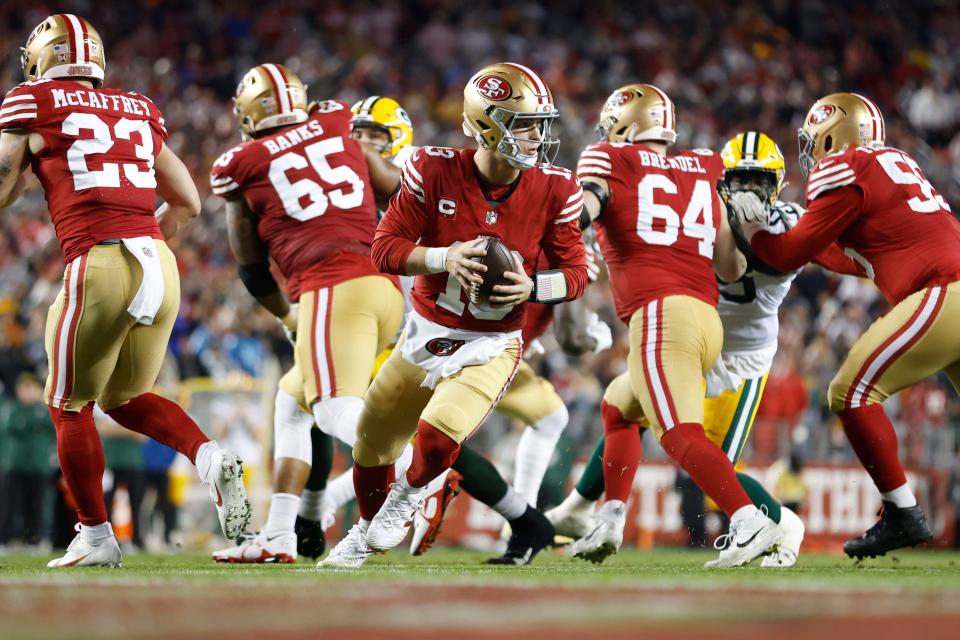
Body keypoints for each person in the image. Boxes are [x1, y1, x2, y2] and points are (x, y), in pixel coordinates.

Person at [0, 14, 250, 568]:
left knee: (67, 404)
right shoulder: (137, 106)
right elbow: (187, 200)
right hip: (159, 262)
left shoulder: (31, 100)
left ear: (44, 58)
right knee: (122, 398)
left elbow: (2, 179)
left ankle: (94, 535)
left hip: (98, 260)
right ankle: (208, 457)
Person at [319, 62, 588, 568]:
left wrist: (534, 286)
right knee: (371, 443)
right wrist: (446, 256)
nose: (536, 136)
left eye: (539, 123)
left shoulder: (557, 188)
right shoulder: (433, 167)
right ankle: (361, 532)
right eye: (523, 122)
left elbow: (576, 273)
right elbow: (384, 248)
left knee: (440, 432)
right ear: (487, 125)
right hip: (424, 333)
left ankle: (407, 497)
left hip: (492, 344)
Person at [551, 131, 862, 567]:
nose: (748, 190)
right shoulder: (702, 209)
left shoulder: (786, 223)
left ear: (776, 185)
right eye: (737, 180)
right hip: (693, 341)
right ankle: (592, 511)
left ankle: (782, 524)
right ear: (720, 182)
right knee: (621, 406)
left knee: (712, 467)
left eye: (758, 181)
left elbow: (797, 256)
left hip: (740, 360)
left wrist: (748, 227)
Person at [562, 85, 784, 568]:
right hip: (706, 320)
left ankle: (749, 520)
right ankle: (611, 515)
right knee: (619, 407)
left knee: (679, 433)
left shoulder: (608, 158)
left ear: (625, 125)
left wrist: (557, 241)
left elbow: (585, 209)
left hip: (663, 316)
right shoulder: (706, 166)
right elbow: (729, 268)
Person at [733, 92, 960, 558]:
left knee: (850, 391)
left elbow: (785, 253)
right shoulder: (893, 160)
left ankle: (901, 512)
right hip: (950, 284)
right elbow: (865, 258)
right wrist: (805, 241)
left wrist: (752, 230)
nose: (810, 151)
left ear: (832, 134)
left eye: (814, 140)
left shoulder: (844, 165)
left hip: (944, 290)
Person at [209, 68, 406, 563]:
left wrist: (286, 315)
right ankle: (278, 535)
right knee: (291, 402)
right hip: (382, 286)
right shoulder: (338, 122)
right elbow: (391, 189)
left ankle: (418, 471)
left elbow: (252, 271)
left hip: (330, 287)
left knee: (331, 410)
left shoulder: (242, 162)